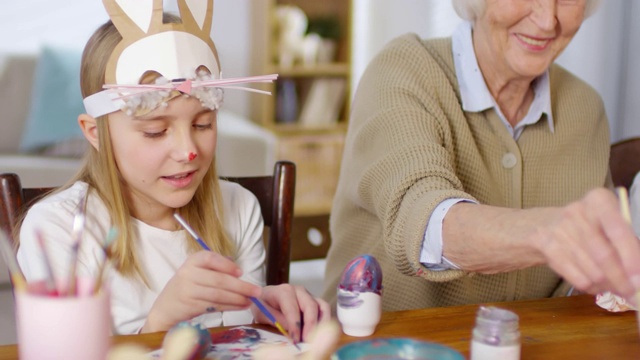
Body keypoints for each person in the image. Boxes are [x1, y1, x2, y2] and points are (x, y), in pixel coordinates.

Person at [16, 2, 329, 339]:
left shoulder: (240, 208)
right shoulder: (58, 230)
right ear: (95, 133)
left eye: (203, 123)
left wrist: (259, 310)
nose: (188, 150)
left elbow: (241, 339)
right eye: (156, 131)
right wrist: (162, 321)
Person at [323, 0, 640, 312]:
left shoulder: (584, 107)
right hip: (380, 346)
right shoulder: (402, 70)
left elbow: (571, 293)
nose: (547, 20)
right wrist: (549, 232)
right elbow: (424, 224)